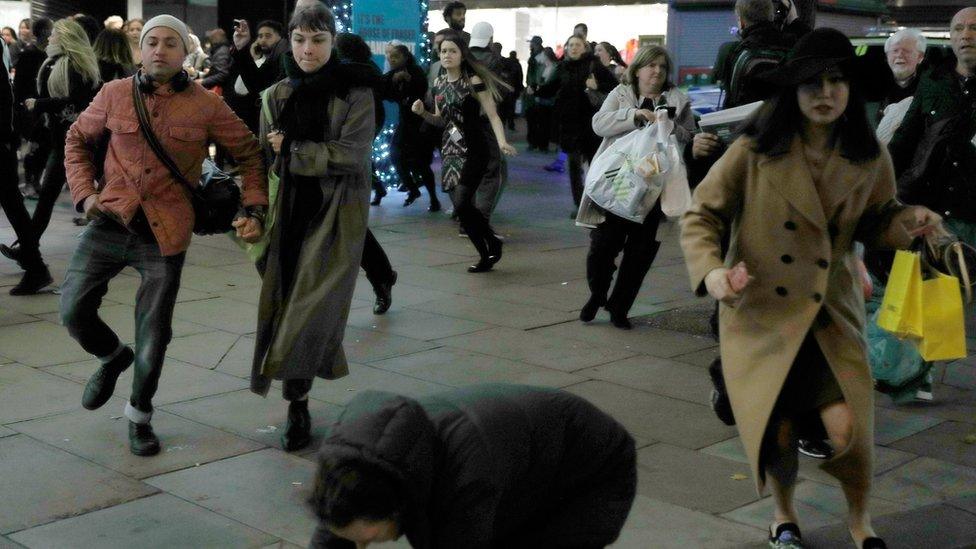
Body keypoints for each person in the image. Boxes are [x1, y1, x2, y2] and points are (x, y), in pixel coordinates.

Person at [681, 27, 943, 549]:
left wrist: (907, 221)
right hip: (761, 310)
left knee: (849, 431)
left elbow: (878, 218)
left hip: (830, 313)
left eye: (836, 81)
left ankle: (860, 520)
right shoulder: (754, 150)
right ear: (791, 92)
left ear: (850, 89)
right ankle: (783, 516)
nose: (825, 93)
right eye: (811, 84)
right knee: (776, 430)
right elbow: (701, 216)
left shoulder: (870, 157)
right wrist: (712, 273)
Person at [60, 14, 267, 456]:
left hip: (166, 232)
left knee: (154, 332)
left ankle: (140, 416)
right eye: (151, 41)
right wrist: (83, 194)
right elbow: (76, 139)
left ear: (184, 51)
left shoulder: (206, 105)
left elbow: (251, 153)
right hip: (109, 221)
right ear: (139, 49)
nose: (159, 50)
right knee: (73, 309)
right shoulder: (114, 94)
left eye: (170, 43)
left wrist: (254, 207)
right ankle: (113, 356)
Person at [250, 4, 378, 452]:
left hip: (335, 217)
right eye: (301, 39)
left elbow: (352, 155)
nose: (308, 49)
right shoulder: (277, 94)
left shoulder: (356, 93)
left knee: (309, 310)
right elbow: (266, 160)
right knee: (289, 309)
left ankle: (296, 403)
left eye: (318, 40)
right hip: (285, 218)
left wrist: (295, 150)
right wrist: (253, 211)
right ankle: (298, 395)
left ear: (332, 42)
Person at [307, 384, 637, 548]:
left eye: (370, 539)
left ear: (396, 507)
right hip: (522, 460)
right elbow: (336, 536)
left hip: (590, 474)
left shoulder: (462, 485)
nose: (362, 546)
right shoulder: (352, 471)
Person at [578, 45, 694, 330]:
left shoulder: (678, 100)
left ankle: (620, 307)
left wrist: (671, 127)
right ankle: (598, 293)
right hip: (619, 182)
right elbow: (599, 124)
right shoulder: (621, 94)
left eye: (662, 67)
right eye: (651, 65)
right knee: (602, 248)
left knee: (640, 254)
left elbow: (690, 136)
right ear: (638, 69)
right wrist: (634, 116)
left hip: (654, 188)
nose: (656, 71)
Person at [0, 18, 101, 295]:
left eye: (55, 34)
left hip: (77, 142)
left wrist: (38, 104)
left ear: (66, 38)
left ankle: (30, 252)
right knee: (42, 198)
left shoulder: (74, 66)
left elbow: (75, 101)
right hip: (61, 140)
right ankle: (29, 251)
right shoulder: (52, 64)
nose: (50, 38)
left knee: (47, 198)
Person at [412, 31, 517, 273]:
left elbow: (492, 114)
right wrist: (422, 113)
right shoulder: (438, 82)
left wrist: (501, 142)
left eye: (452, 51)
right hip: (451, 149)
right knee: (462, 207)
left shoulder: (474, 82)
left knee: (461, 202)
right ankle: (490, 246)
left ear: (462, 55)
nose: (447, 55)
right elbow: (440, 121)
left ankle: (488, 251)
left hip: (475, 149)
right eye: (443, 51)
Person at [531, 34, 617, 209]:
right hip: (569, 124)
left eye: (577, 45)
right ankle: (579, 204)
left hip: (591, 123)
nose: (574, 48)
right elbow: (552, 87)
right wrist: (536, 91)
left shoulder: (594, 65)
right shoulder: (563, 66)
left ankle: (596, 201)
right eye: (570, 45)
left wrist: (596, 87)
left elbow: (614, 87)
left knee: (595, 164)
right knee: (573, 165)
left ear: (585, 48)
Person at [713, 0, 798, 110]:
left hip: (741, 122)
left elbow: (716, 77)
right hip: (781, 121)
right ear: (772, 16)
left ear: (742, 22)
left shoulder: (729, 50)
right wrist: (794, 20)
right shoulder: (793, 46)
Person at [384, 44, 439, 211]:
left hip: (420, 125)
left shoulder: (415, 72)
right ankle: (413, 189)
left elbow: (420, 92)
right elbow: (385, 91)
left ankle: (433, 199)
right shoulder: (393, 74)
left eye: (395, 56)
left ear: (405, 57)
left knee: (422, 163)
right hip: (405, 124)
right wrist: (395, 80)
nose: (391, 59)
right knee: (395, 155)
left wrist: (408, 82)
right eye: (389, 56)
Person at [231, 19, 289, 103]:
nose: (263, 40)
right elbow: (256, 85)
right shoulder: (271, 57)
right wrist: (242, 48)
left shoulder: (283, 54)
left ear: (281, 37)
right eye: (260, 36)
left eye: (268, 36)